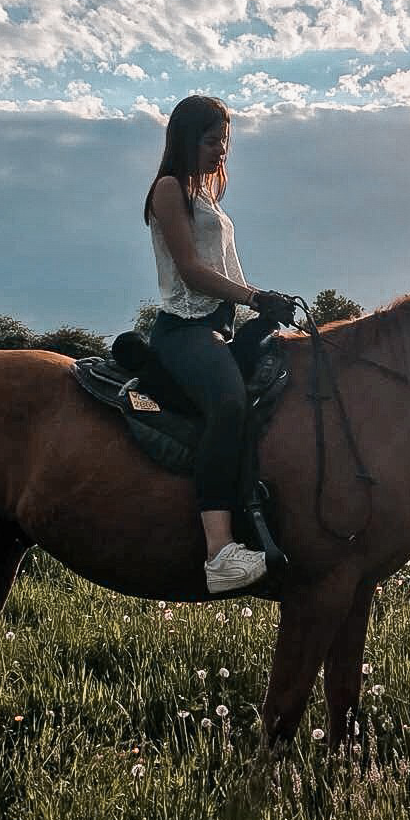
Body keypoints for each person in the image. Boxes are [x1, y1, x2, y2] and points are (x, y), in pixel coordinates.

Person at [144, 95, 296, 594]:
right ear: (186, 139)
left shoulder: (208, 198)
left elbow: (227, 270)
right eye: (211, 141)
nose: (220, 152)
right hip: (184, 330)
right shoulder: (168, 190)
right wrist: (256, 296)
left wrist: (262, 311)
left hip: (220, 326)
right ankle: (219, 552)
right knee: (228, 404)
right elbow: (191, 271)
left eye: (224, 143)